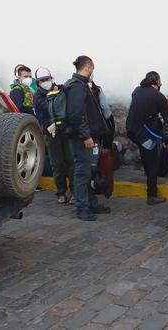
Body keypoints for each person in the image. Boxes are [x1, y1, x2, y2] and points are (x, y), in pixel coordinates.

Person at [66, 55, 110, 221]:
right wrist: (86, 136)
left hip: (90, 136)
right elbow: (77, 114)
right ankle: (82, 208)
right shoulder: (77, 86)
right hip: (82, 138)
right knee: (82, 173)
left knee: (89, 172)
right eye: (93, 69)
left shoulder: (83, 85)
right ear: (89, 68)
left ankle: (92, 204)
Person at [126, 71, 168, 206]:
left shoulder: (137, 90)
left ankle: (150, 184)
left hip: (132, 131)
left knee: (146, 156)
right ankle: (151, 195)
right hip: (145, 133)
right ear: (157, 82)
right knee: (152, 163)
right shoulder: (158, 96)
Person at [34, 67, 75, 205]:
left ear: (51, 78)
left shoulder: (61, 89)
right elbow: (42, 112)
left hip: (65, 131)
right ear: (38, 83)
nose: (45, 82)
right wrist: (49, 126)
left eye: (47, 79)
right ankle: (61, 192)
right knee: (57, 164)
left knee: (71, 162)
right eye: (42, 81)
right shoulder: (38, 96)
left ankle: (74, 192)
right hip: (51, 133)